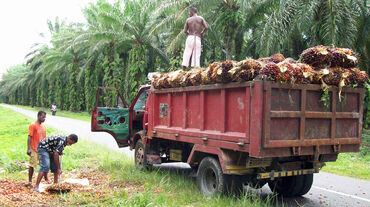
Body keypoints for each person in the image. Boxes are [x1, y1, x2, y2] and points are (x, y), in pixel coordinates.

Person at [26, 111, 49, 187]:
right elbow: (29, 137)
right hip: (34, 148)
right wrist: (28, 148)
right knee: (32, 164)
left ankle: (46, 178)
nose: (44, 119)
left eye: (45, 117)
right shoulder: (33, 125)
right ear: (38, 116)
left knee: (44, 164)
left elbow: (44, 139)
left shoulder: (43, 127)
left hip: (42, 149)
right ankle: (30, 181)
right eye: (43, 117)